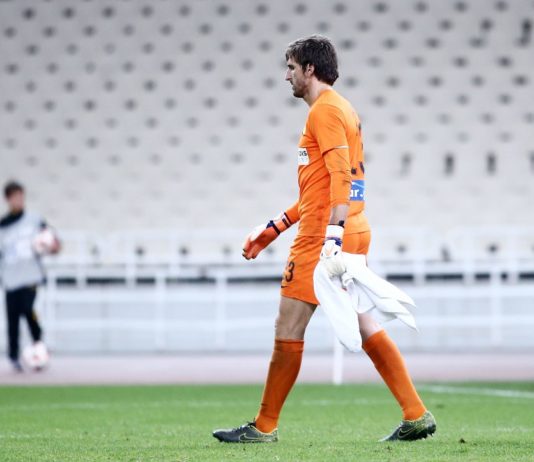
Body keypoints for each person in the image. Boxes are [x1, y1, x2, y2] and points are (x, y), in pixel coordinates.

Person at [213, 35, 436, 443]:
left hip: (322, 236)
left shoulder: (325, 111)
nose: (287, 76)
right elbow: (318, 189)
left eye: (291, 68)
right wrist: (274, 228)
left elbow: (341, 178)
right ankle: (416, 413)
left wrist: (331, 237)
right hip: (351, 229)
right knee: (363, 322)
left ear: (309, 69)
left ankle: (264, 427)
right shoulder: (341, 108)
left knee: (288, 326)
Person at [0, 181, 59, 371]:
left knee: (27, 309)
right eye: (15, 197)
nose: (19, 200)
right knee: (13, 318)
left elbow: (54, 242)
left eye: (21, 196)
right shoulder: (3, 226)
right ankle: (13, 356)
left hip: (30, 276)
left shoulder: (34, 220)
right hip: (10, 279)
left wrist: (52, 246)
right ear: (8, 199)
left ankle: (38, 347)